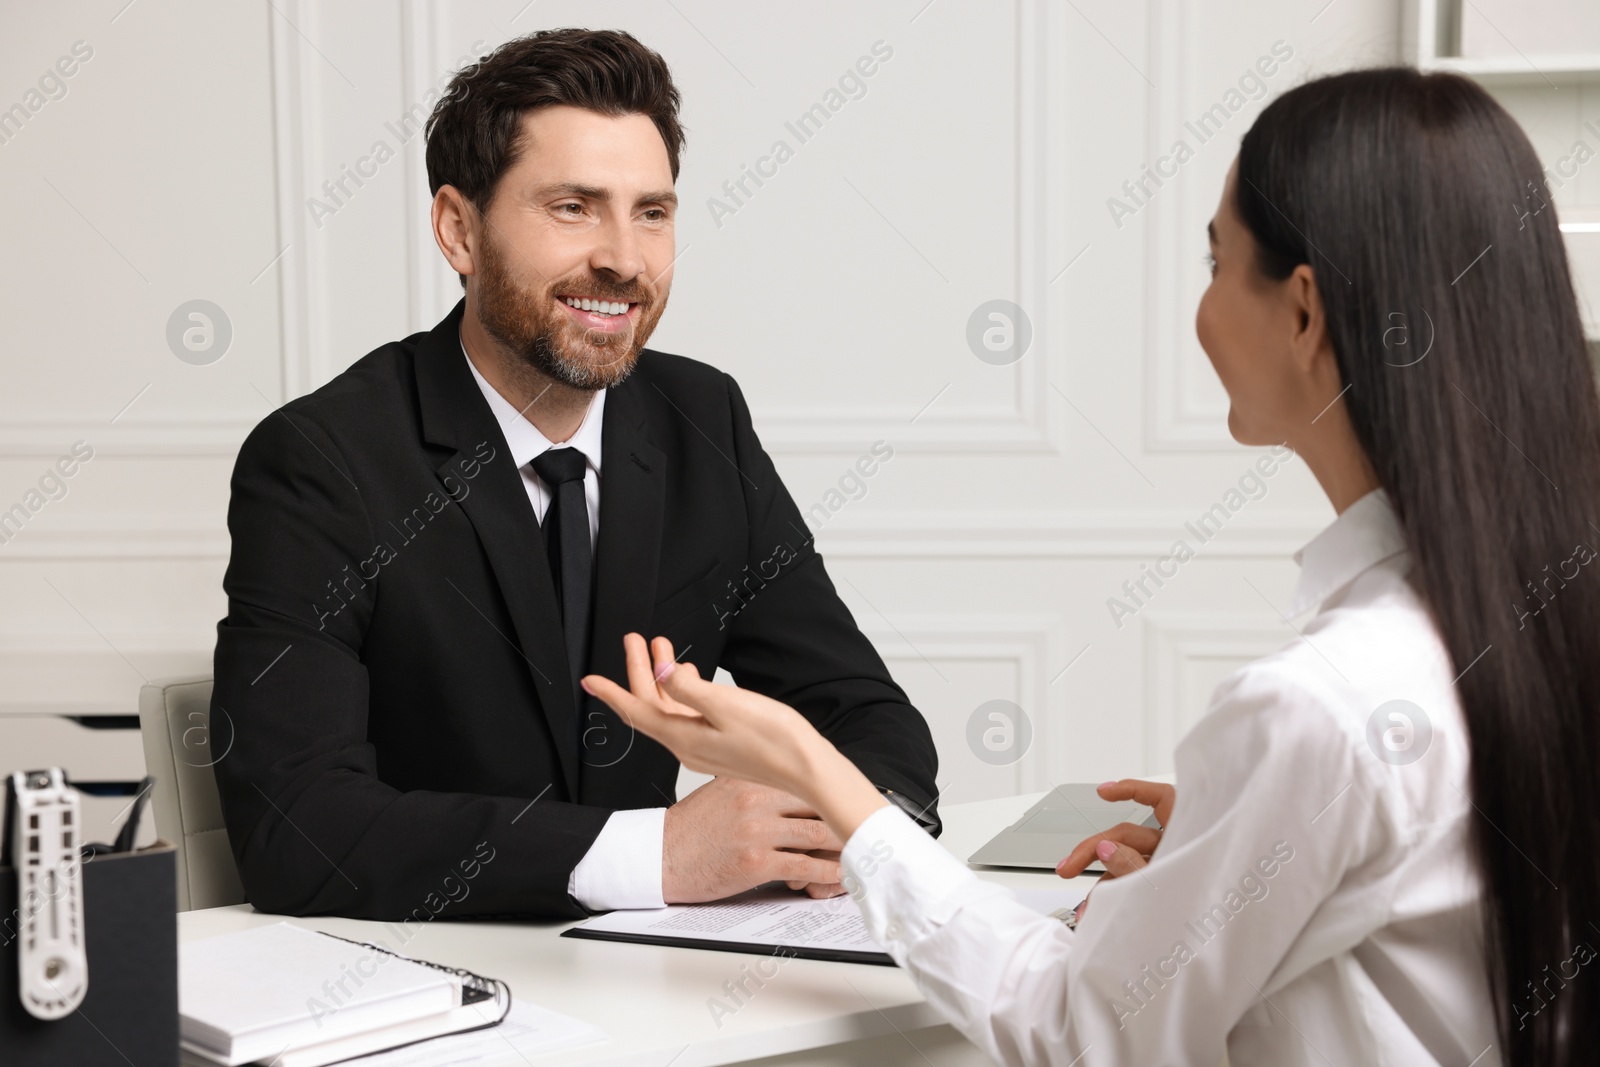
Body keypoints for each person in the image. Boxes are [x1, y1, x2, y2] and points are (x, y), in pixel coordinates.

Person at [582, 67, 1600, 1065]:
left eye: (1214, 264)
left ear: (1302, 313)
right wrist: (1231, 853)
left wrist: (817, 776)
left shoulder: (1319, 710)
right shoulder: (1519, 625)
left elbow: (1083, 1028)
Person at [209, 29, 939, 923]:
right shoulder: (323, 460)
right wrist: (661, 852)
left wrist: (852, 833)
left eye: (652, 212)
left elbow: (867, 718)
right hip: (435, 996)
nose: (625, 260)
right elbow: (298, 828)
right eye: (573, 207)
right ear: (458, 229)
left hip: (667, 994)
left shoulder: (703, 420)